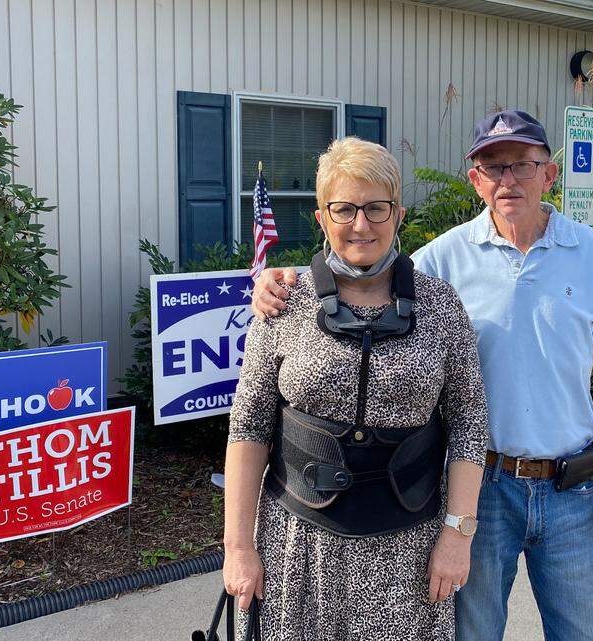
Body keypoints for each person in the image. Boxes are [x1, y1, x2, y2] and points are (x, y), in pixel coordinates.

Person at [252, 110, 593, 641]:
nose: (507, 180)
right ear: (475, 180)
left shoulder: (592, 254)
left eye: (521, 166)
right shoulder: (442, 260)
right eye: (492, 168)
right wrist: (284, 281)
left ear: (548, 174)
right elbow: (360, 268)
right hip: (481, 489)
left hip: (572, 491)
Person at [222, 136, 489, 640]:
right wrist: (238, 547)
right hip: (297, 546)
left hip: (406, 552)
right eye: (344, 209)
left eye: (375, 208)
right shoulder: (283, 303)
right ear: (321, 217)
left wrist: (458, 535)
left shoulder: (440, 306)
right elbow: (249, 426)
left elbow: (470, 426)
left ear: (399, 214)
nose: (361, 225)